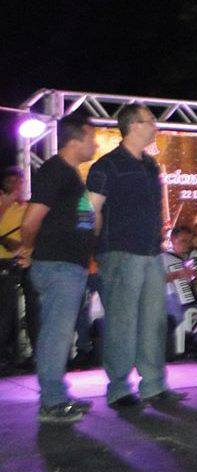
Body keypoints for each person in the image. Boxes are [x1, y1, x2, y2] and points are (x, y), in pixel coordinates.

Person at [87, 103, 186, 408]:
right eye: (150, 120)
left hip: (151, 253)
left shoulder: (150, 165)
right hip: (119, 253)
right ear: (133, 126)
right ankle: (119, 388)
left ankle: (154, 385)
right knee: (122, 323)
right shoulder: (107, 165)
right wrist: (91, 249)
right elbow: (88, 210)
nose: (156, 125)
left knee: (154, 321)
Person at [18, 114, 98, 422]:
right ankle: (52, 402)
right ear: (75, 140)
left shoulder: (69, 174)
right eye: (91, 138)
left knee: (60, 333)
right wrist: (28, 249)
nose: (94, 144)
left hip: (69, 265)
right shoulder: (55, 171)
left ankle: (57, 395)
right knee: (57, 333)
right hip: (58, 265)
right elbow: (30, 220)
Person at [161, 226, 197, 357]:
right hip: (174, 298)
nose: (187, 244)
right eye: (183, 241)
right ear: (173, 240)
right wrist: (178, 274)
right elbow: (156, 280)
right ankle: (188, 345)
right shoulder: (164, 258)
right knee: (177, 309)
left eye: (189, 241)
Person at [0, 167, 28, 371]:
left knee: (10, 311)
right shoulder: (2, 204)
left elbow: (30, 234)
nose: (16, 186)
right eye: (12, 182)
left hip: (15, 263)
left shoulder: (26, 208)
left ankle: (10, 354)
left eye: (19, 182)